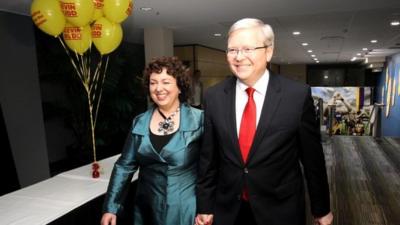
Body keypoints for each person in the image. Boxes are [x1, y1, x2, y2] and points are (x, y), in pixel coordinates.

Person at [195, 18, 333, 225]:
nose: (239, 57)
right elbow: (209, 158)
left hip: (280, 209)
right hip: (229, 209)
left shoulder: (295, 95)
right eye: (232, 50)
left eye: (248, 49)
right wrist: (205, 205)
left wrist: (321, 209)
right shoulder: (214, 96)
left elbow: (312, 159)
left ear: (268, 51)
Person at [101, 56, 203, 225]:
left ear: (179, 87)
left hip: (187, 208)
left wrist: (206, 209)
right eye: (153, 82)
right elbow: (124, 166)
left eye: (165, 82)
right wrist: (111, 207)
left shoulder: (199, 120)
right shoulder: (139, 122)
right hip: (147, 207)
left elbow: (211, 169)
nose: (158, 88)